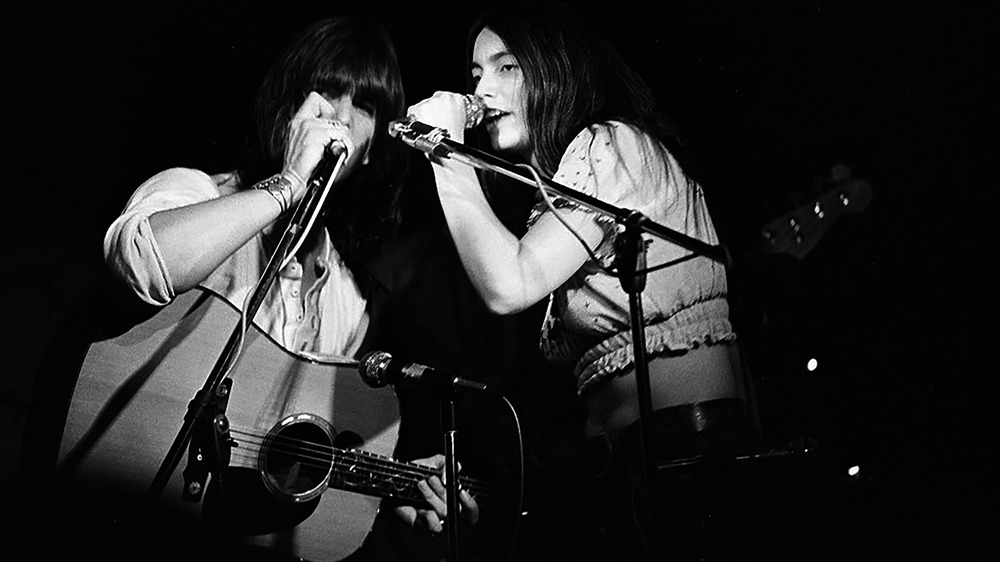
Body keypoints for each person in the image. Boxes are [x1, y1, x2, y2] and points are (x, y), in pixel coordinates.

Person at [102, 14, 477, 559]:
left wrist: (385, 486)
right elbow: (141, 264)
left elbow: (281, 449)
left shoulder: (350, 301)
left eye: (365, 107)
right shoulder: (194, 191)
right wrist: (290, 184)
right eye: (326, 92)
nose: (340, 120)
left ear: (373, 147)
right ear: (288, 110)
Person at [406, 2, 758, 559]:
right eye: (476, 76)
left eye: (507, 67)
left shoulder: (611, 144)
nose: (483, 91)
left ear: (556, 68)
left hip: (681, 463)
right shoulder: (564, 190)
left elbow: (508, 284)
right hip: (625, 469)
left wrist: (445, 156)